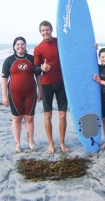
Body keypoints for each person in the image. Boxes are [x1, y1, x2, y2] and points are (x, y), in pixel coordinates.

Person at [33, 21, 69, 153]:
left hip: (62, 83)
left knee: (63, 115)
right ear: (40, 32)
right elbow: (35, 69)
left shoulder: (60, 42)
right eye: (43, 30)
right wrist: (41, 67)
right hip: (47, 84)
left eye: (47, 30)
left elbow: (74, 49)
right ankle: (51, 144)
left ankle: (62, 143)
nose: (46, 32)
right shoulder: (38, 48)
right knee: (47, 115)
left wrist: (92, 47)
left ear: (51, 30)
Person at [1, 36, 42, 153]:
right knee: (16, 118)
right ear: (14, 47)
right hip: (14, 94)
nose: (20, 46)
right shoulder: (9, 60)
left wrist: (40, 91)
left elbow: (38, 76)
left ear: (25, 46)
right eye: (18, 44)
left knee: (29, 117)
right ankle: (18, 144)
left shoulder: (31, 59)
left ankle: (30, 143)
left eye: (22, 44)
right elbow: (4, 79)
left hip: (30, 93)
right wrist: (4, 96)